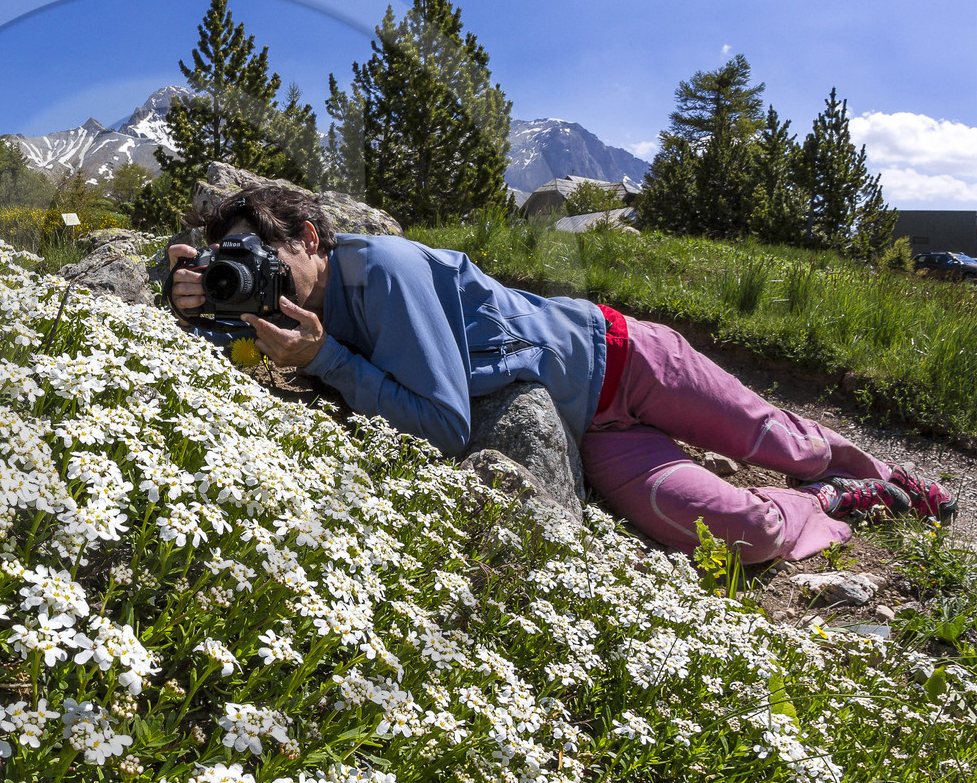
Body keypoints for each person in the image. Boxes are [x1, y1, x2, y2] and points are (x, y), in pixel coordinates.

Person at [167, 185, 958, 562]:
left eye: (260, 258)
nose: (251, 276)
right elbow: (210, 343)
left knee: (774, 437)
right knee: (732, 537)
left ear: (311, 236)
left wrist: (323, 360)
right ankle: (844, 499)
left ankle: (868, 465)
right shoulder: (279, 313)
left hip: (623, 357)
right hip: (587, 430)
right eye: (234, 264)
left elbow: (445, 425)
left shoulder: (383, 267)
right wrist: (194, 295)